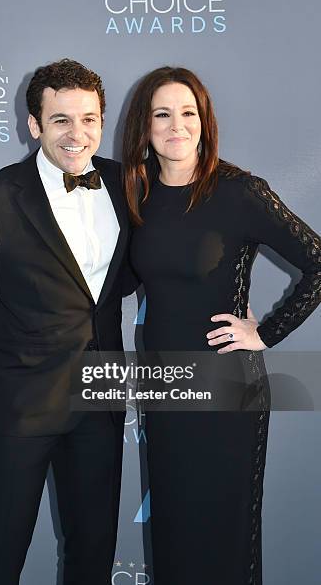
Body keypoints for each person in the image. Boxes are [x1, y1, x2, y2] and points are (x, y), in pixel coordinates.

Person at [0, 59, 129, 584]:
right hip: (23, 411)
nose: (77, 135)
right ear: (34, 125)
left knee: (93, 556)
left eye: (90, 120)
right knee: (0, 557)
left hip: (100, 403)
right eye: (61, 120)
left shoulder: (127, 185)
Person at [122, 66, 321, 584]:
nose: (176, 125)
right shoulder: (136, 195)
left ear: (205, 122)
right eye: (162, 114)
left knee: (226, 538)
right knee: (173, 533)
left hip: (229, 389)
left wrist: (266, 332)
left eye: (188, 113)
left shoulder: (239, 192)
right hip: (166, 387)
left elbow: (318, 260)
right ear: (144, 126)